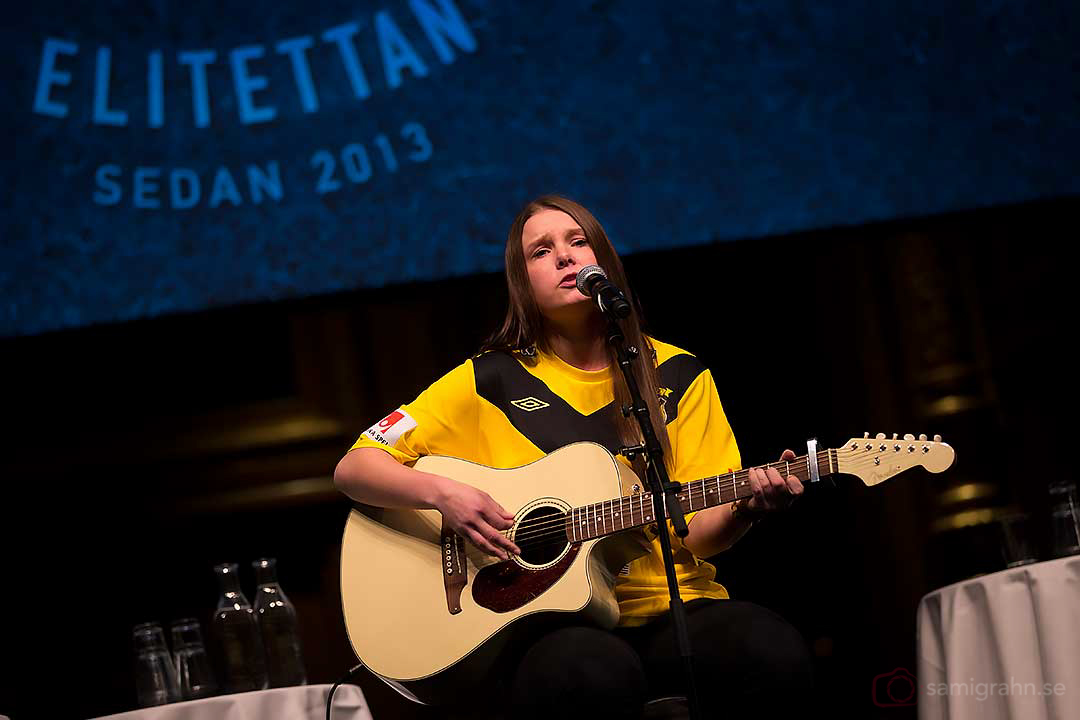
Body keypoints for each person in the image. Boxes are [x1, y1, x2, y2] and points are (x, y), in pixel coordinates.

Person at [334, 195, 813, 718]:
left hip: (672, 610)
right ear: (523, 282)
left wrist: (746, 507)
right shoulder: (489, 379)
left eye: (578, 242)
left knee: (771, 651)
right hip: (557, 624)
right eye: (542, 251)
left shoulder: (679, 375)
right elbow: (355, 467)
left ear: (602, 261)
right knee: (586, 675)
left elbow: (698, 534)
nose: (564, 257)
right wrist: (444, 494)